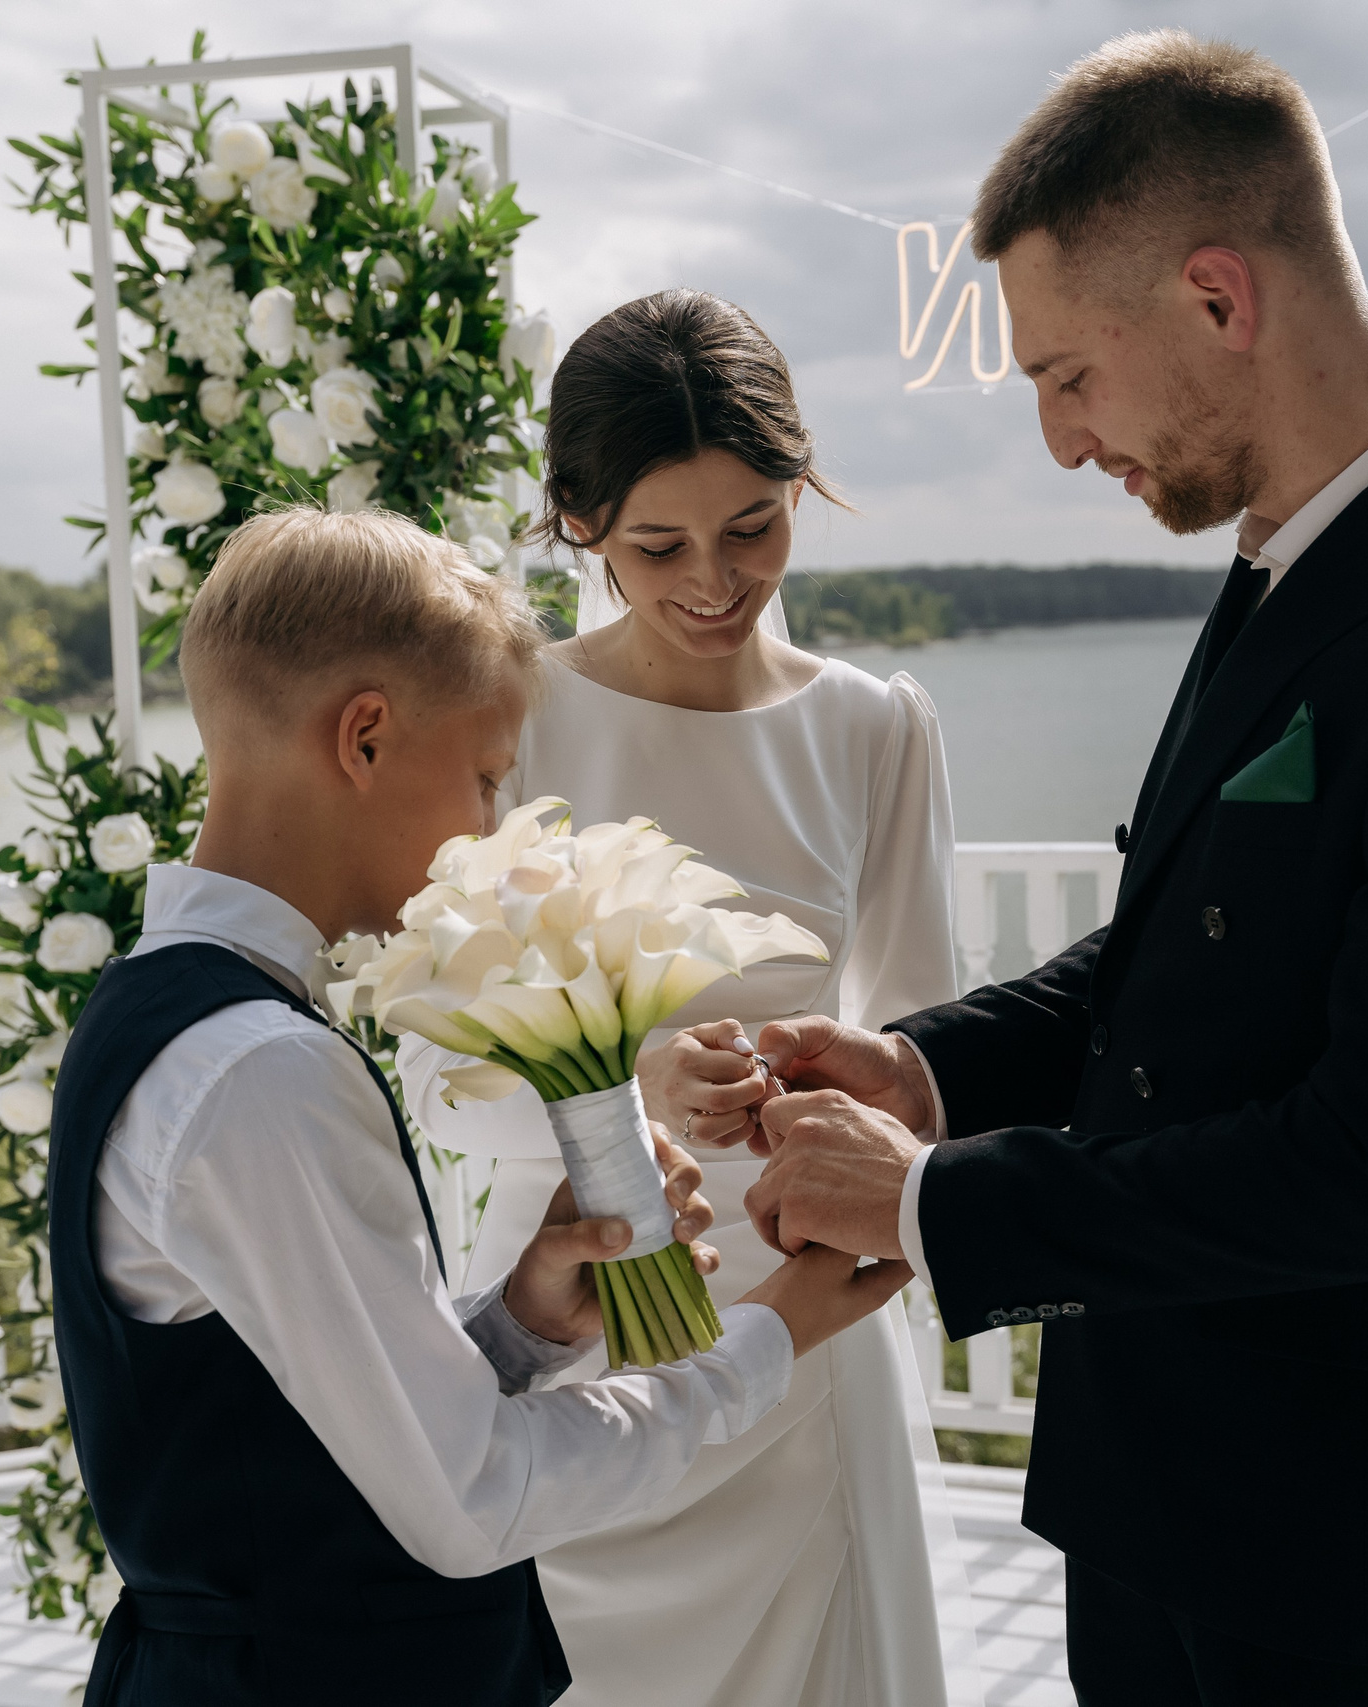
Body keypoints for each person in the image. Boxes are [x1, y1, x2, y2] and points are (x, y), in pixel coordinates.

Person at [736, 31, 1368, 1707]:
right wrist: (923, 1067)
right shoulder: (1295, 552)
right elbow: (1187, 953)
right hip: (1171, 1509)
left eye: (1064, 376)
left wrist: (934, 1205)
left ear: (1220, 300)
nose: (1056, 439)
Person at [46, 508, 910, 1706]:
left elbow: (323, 1409)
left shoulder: (166, 1011)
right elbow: (475, 1498)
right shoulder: (258, 1071)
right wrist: (773, 1330)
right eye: (487, 776)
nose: (492, 830)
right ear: (363, 737)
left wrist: (522, 1324)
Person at [394, 289, 971, 1707]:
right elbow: (433, 1066)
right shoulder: (514, 717)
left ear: (798, 488)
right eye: (659, 544)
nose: (714, 580)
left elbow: (934, 1040)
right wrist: (623, 1095)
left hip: (805, 1328)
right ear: (578, 520)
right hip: (591, 1337)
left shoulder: (873, 726)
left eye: (754, 527)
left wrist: (843, 1084)